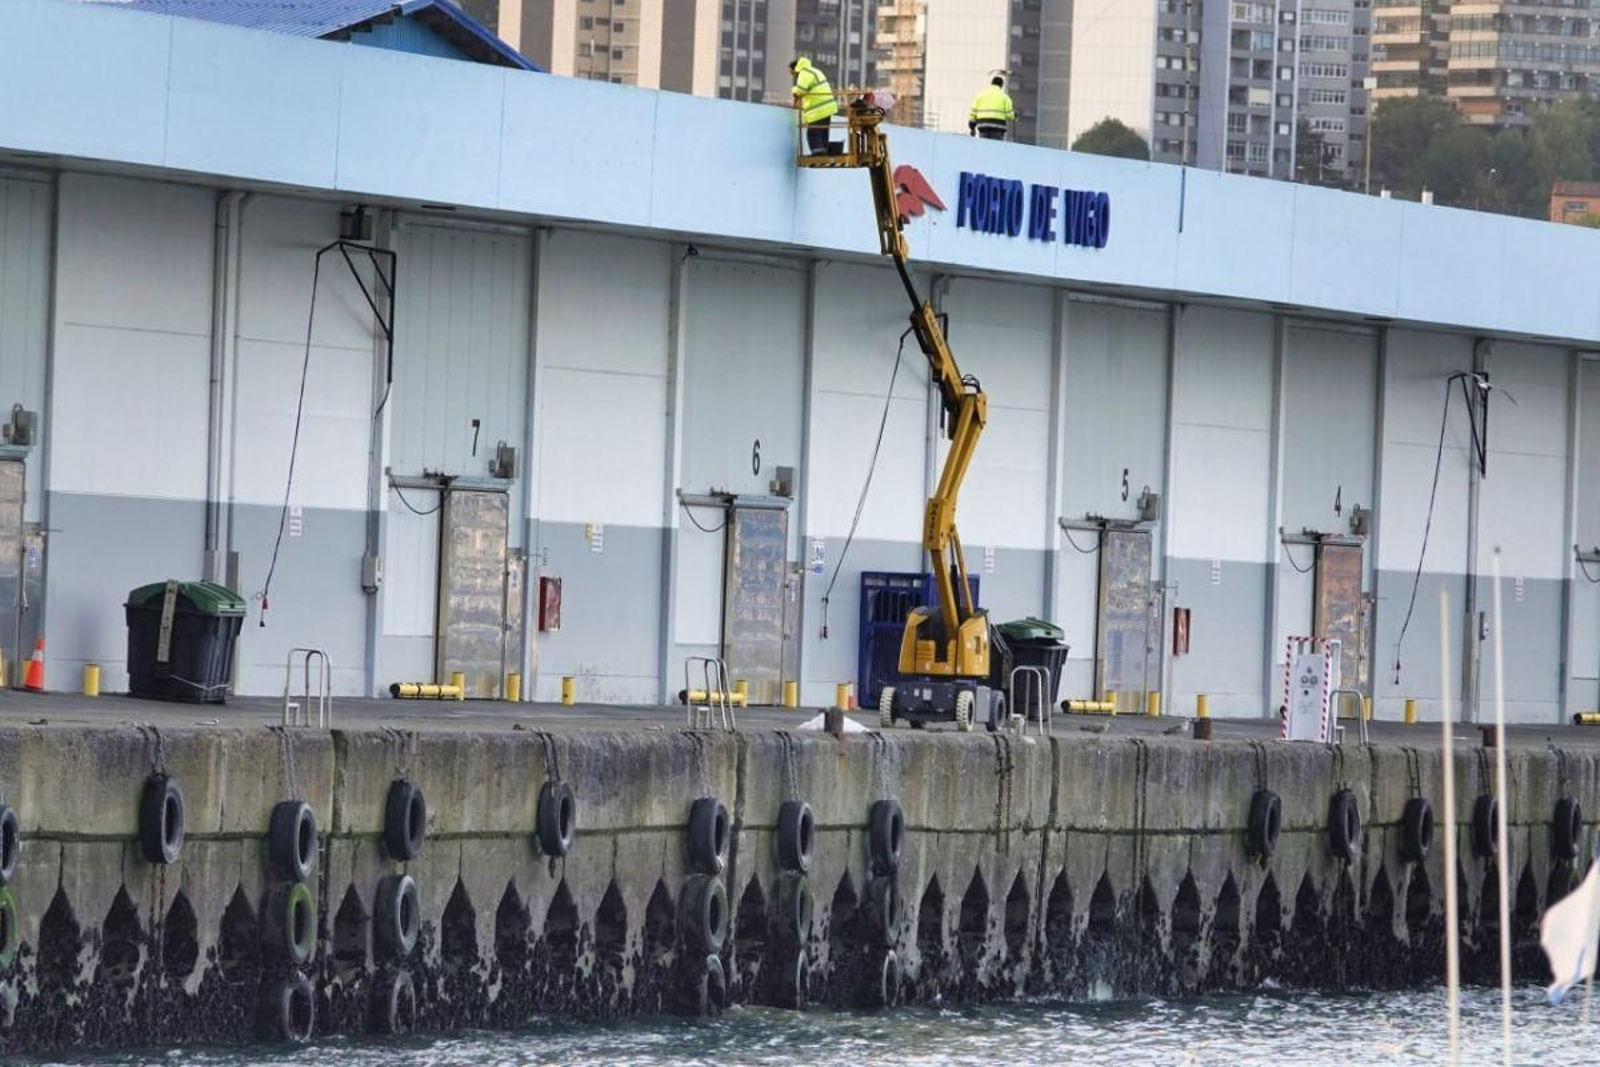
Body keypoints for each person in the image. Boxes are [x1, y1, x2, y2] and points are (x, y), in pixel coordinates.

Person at [790, 56, 838, 155]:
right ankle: (824, 149)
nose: (793, 76)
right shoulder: (815, 71)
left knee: (813, 132)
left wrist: (793, 90)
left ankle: (818, 151)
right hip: (828, 106)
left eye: (792, 73)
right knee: (823, 130)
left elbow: (801, 90)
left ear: (796, 68)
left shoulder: (804, 73)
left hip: (818, 108)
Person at [969, 75, 1015, 140]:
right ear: (1001, 85)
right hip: (998, 128)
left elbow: (973, 113)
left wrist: (972, 128)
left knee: (984, 147)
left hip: (983, 126)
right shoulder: (1005, 97)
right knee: (996, 148)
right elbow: (1009, 115)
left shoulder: (980, 95)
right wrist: (1014, 115)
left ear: (992, 83)